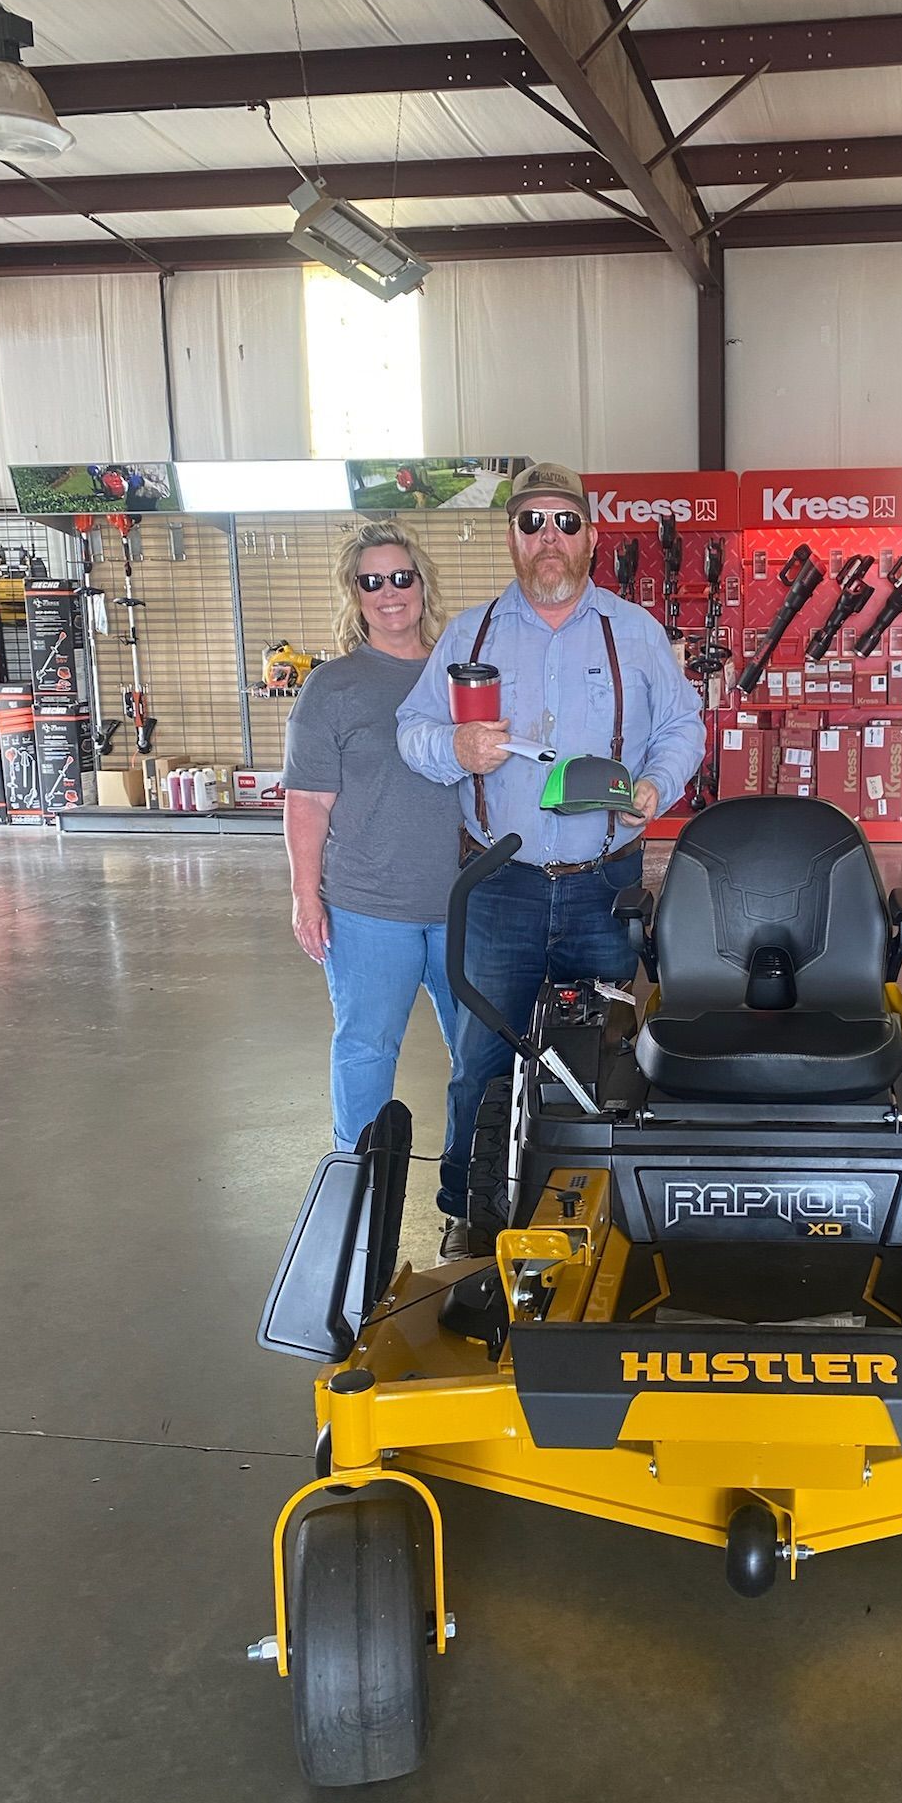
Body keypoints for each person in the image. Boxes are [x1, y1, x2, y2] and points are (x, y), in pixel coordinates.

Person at [397, 460, 705, 1247]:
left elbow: (683, 728)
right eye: (531, 522)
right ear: (512, 537)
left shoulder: (634, 633)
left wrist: (657, 783)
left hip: (607, 886)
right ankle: (470, 1212)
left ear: (591, 538)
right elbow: (413, 731)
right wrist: (456, 745)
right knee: (482, 1058)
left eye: (564, 523)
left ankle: (585, 1210)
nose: (548, 539)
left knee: (598, 1055)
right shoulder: (469, 635)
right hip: (500, 885)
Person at [283, 519, 465, 1166]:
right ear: (354, 594)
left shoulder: (463, 675)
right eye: (372, 581)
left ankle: (471, 1184)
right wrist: (307, 897)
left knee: (480, 1058)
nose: (389, 592)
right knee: (365, 1047)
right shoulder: (333, 687)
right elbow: (307, 801)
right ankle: (356, 1184)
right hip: (367, 908)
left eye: (400, 577)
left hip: (466, 908)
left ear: (422, 584)